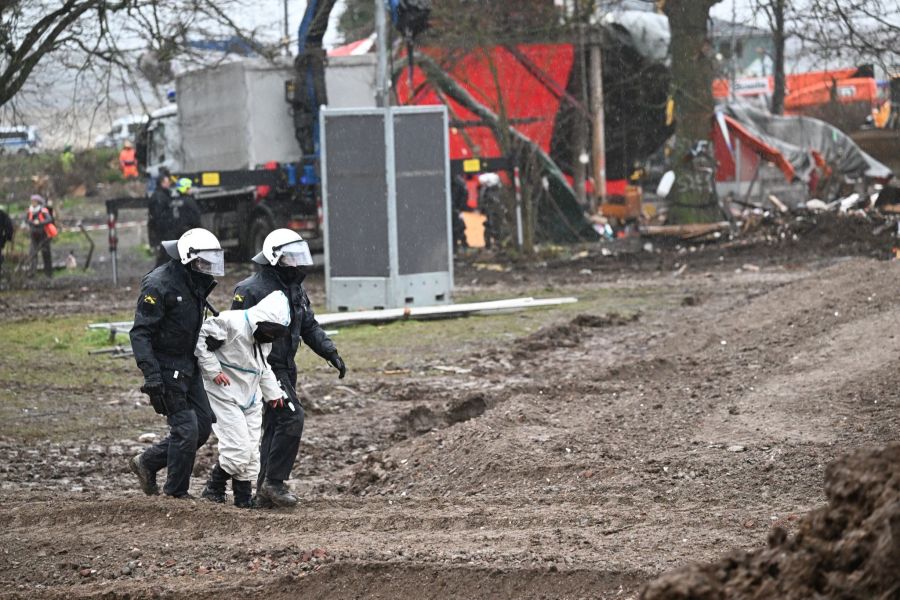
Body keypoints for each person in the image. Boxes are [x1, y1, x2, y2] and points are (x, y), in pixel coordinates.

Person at [231, 229, 346, 508]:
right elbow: (234, 332)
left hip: (286, 367)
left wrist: (329, 351)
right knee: (292, 418)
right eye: (291, 258)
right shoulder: (249, 290)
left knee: (274, 426)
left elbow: (308, 326)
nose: (298, 263)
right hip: (264, 369)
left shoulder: (295, 288)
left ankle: (262, 491)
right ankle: (274, 482)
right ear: (274, 258)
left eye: (299, 256)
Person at [128, 228, 224, 499]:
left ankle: (148, 461)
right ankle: (176, 494)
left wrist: (208, 340)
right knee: (186, 429)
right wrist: (152, 376)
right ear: (188, 259)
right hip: (165, 367)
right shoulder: (158, 284)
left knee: (202, 427)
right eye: (204, 262)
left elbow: (187, 323)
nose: (208, 268)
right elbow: (140, 333)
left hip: (188, 365)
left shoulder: (195, 282)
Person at [195, 291, 291, 508]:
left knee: (251, 450)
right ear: (260, 322)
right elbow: (200, 340)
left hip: (251, 394)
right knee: (238, 450)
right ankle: (214, 487)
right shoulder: (230, 322)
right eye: (270, 332)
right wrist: (213, 370)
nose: (271, 337)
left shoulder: (264, 338)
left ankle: (243, 498)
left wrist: (273, 392)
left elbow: (262, 366)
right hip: (223, 391)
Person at [148, 172, 201, 266]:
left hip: (172, 232)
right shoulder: (161, 197)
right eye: (167, 181)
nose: (169, 183)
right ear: (162, 183)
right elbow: (195, 219)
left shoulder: (172, 199)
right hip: (169, 232)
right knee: (167, 257)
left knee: (168, 257)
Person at [25, 194, 56, 277]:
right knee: (33, 253)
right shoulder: (30, 210)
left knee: (45, 253)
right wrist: (32, 223)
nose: (33, 203)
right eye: (32, 201)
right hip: (33, 234)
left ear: (38, 202)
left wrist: (39, 222)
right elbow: (27, 220)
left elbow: (49, 219)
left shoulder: (43, 210)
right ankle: (32, 273)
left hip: (43, 234)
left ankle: (48, 273)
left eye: (34, 201)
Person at [451, 174, 469, 252]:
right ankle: (459, 246)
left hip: (455, 209)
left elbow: (464, 195)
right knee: (458, 228)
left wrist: (459, 208)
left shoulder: (458, 182)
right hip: (455, 209)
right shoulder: (459, 181)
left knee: (458, 228)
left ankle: (459, 246)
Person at [0, 204, 13, 284]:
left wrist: (7, 237)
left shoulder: (3, 216)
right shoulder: (4, 215)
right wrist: (8, 238)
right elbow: (9, 228)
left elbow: (9, 229)